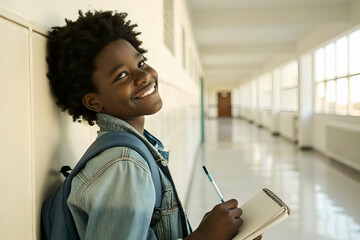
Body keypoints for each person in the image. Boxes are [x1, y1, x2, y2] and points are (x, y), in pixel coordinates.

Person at [47, 10, 262, 240]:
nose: (143, 76)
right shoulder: (124, 165)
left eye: (141, 63)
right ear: (94, 101)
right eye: (121, 75)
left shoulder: (130, 149)